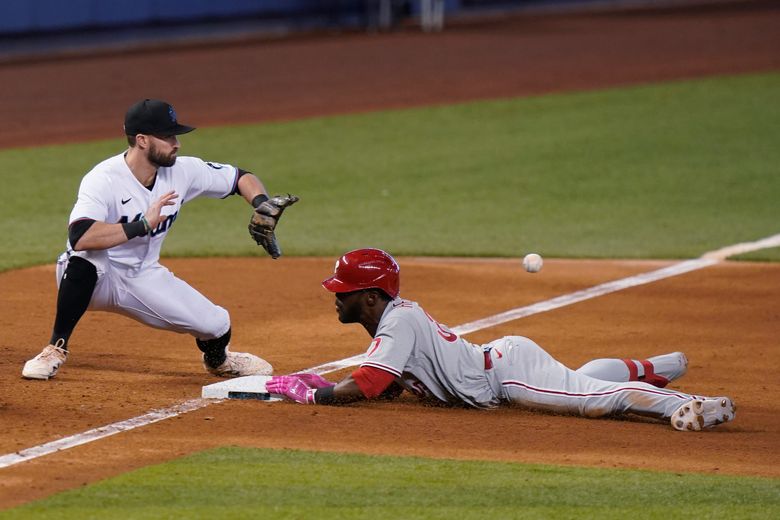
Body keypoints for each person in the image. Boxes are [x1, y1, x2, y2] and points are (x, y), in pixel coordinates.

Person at [266, 248, 736, 432]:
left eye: (342, 293)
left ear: (369, 298)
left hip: (508, 375)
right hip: (503, 363)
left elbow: (367, 385)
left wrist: (314, 392)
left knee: (590, 402)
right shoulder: (392, 322)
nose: (335, 299)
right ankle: (651, 367)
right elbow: (386, 382)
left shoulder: (397, 323)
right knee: (575, 384)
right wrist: (328, 384)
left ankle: (687, 404)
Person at [22, 99, 298, 381]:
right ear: (142, 140)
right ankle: (55, 348)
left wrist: (261, 203)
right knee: (86, 258)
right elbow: (80, 236)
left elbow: (240, 177)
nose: (176, 143)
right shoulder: (102, 179)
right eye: (167, 136)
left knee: (217, 325)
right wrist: (142, 225)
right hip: (95, 278)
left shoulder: (182, 170)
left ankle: (219, 361)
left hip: (143, 276)